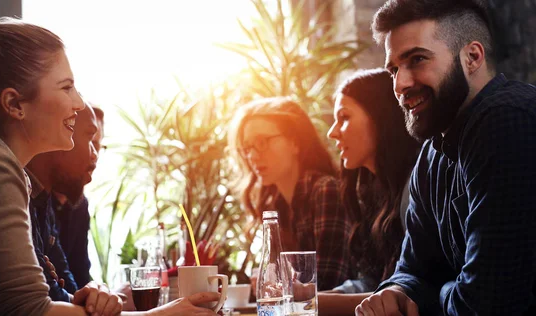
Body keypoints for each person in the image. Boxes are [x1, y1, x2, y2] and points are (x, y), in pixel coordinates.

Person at [0, 14, 220, 316]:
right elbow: (28, 310)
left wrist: (86, 298)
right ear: (15, 105)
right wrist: (158, 315)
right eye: (66, 87)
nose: (80, 104)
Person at [355, 1, 536, 315]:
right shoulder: (432, 152)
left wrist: (431, 296)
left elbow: (489, 304)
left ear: (472, 57)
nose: (400, 85)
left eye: (417, 59)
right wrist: (397, 292)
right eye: (394, 69)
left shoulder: (506, 118)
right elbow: (413, 268)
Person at [317, 69, 420, 315]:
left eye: (344, 117)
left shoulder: (416, 186)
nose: (332, 132)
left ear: (380, 117)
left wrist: (306, 302)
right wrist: (304, 295)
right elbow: (371, 282)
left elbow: (404, 294)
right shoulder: (369, 191)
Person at [228, 97, 353, 291]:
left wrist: (277, 287)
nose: (252, 156)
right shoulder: (275, 205)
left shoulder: (325, 190)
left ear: (295, 142)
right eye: (247, 148)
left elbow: (327, 283)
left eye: (262, 142)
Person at [26, 103, 99, 302]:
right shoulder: (18, 197)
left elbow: (72, 291)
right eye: (89, 138)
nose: (95, 154)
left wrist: (97, 297)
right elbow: (42, 303)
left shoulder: (43, 201)